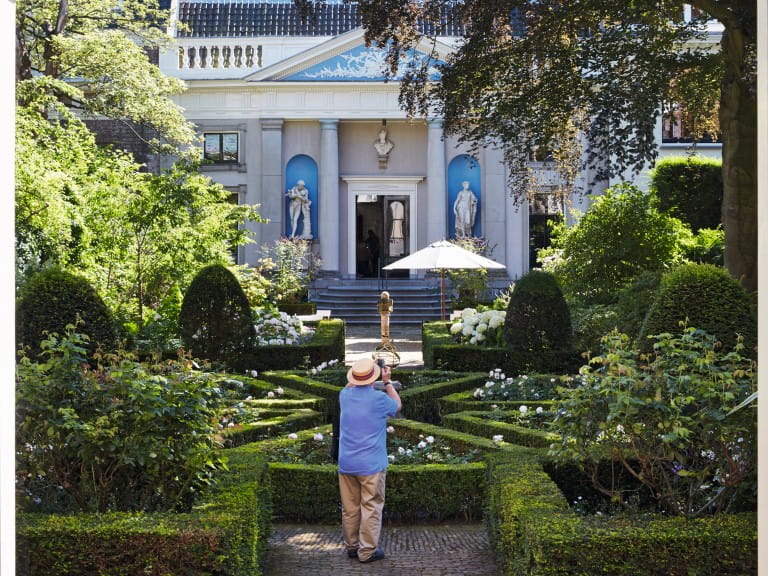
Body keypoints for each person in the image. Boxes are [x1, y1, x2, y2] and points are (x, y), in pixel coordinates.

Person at [337, 357, 402, 564]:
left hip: (346, 463)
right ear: (373, 378)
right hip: (371, 464)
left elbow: (351, 384)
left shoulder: (344, 395)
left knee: (350, 507)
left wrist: (365, 372)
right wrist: (388, 381)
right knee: (371, 506)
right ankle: (367, 551)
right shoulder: (379, 399)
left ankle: (352, 546)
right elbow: (397, 406)